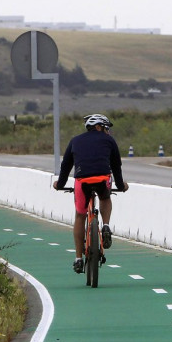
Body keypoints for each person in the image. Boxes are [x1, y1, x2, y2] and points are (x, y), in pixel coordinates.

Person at [53, 114, 129, 273]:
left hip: (82, 181)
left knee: (80, 215)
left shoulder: (75, 141)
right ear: (99, 127)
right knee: (105, 198)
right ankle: (106, 225)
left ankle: (78, 258)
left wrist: (59, 184)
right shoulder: (109, 141)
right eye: (106, 128)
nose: (107, 132)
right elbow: (116, 166)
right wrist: (121, 185)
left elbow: (66, 166)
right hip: (103, 178)